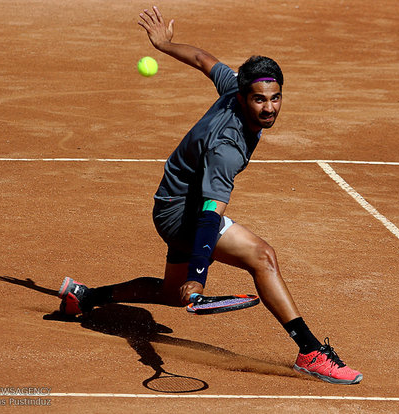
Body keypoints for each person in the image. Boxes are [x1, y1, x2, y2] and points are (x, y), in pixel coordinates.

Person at [57, 5, 362, 385]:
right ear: (245, 96)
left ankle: (85, 297)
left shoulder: (234, 86)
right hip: (182, 212)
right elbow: (209, 215)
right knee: (263, 257)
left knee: (170, 293)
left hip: (171, 199)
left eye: (275, 98)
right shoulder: (228, 148)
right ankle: (311, 351)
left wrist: (166, 44)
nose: (269, 108)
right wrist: (199, 275)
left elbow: (204, 59)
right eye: (260, 100)